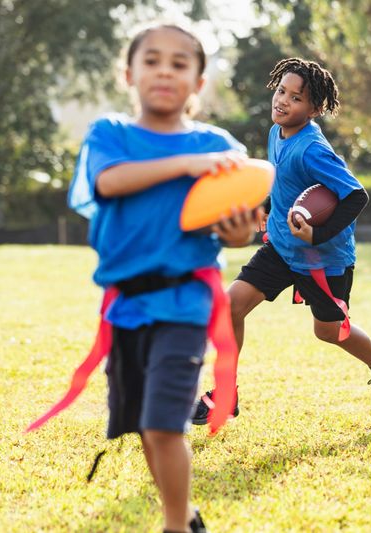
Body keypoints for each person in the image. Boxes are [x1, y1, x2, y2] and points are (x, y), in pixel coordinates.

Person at [66, 24, 261, 533]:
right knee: (144, 428)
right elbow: (109, 181)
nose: (165, 71)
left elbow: (236, 229)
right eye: (152, 60)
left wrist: (241, 233)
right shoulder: (112, 135)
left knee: (163, 422)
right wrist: (189, 165)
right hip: (126, 307)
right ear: (129, 74)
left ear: (197, 82)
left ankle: (176, 526)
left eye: (180, 63)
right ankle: (187, 516)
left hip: (184, 304)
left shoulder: (219, 146)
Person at [192, 58, 371, 425]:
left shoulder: (313, 149)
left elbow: (356, 196)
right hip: (280, 247)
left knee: (329, 331)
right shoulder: (276, 132)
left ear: (315, 109)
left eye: (296, 98)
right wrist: (266, 206)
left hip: (324, 260)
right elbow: (283, 181)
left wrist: (318, 233)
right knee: (229, 309)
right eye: (281, 91)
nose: (283, 101)